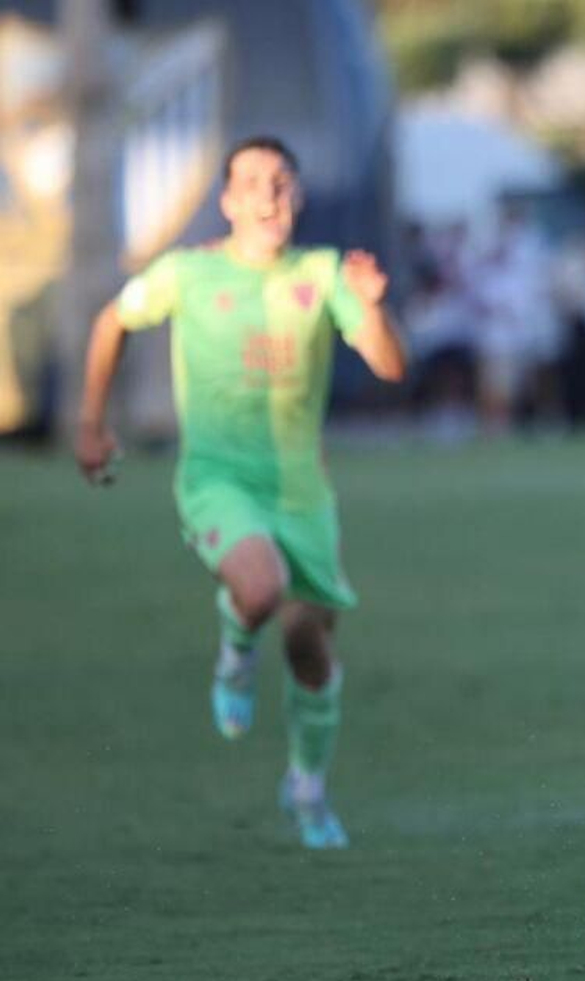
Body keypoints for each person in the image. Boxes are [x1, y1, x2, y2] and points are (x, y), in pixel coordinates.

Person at [74, 136, 407, 849]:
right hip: (218, 481)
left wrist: (374, 308)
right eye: (253, 183)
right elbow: (111, 321)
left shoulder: (323, 273)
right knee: (261, 590)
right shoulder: (187, 274)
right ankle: (234, 643)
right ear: (227, 201)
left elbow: (387, 364)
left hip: (302, 494)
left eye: (283, 182)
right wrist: (90, 424)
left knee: (308, 645)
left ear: (298, 197)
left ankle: (308, 789)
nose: (269, 195)